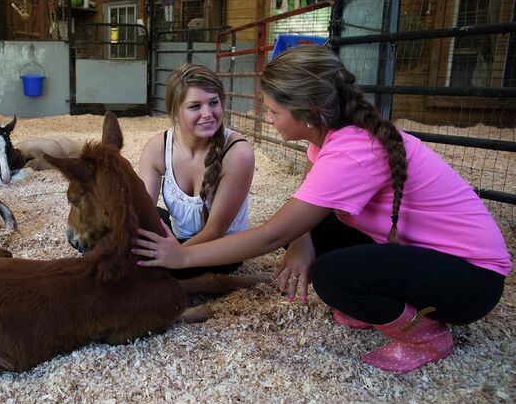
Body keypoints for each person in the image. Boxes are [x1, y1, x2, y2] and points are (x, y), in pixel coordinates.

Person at [133, 45, 510, 373]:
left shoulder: (351, 152)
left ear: (307, 113)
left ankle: (426, 336)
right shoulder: (329, 136)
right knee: (312, 230)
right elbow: (305, 208)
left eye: (273, 111)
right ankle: (379, 304)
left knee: (332, 276)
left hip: (471, 281)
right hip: (429, 255)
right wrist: (302, 241)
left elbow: (272, 233)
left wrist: (181, 258)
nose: (268, 119)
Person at [138, 63, 255, 279]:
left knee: (150, 271)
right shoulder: (158, 147)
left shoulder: (238, 153)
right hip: (177, 238)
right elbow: (144, 209)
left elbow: (215, 231)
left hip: (219, 249)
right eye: (195, 106)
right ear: (175, 111)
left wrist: (173, 256)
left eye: (213, 103)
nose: (207, 114)